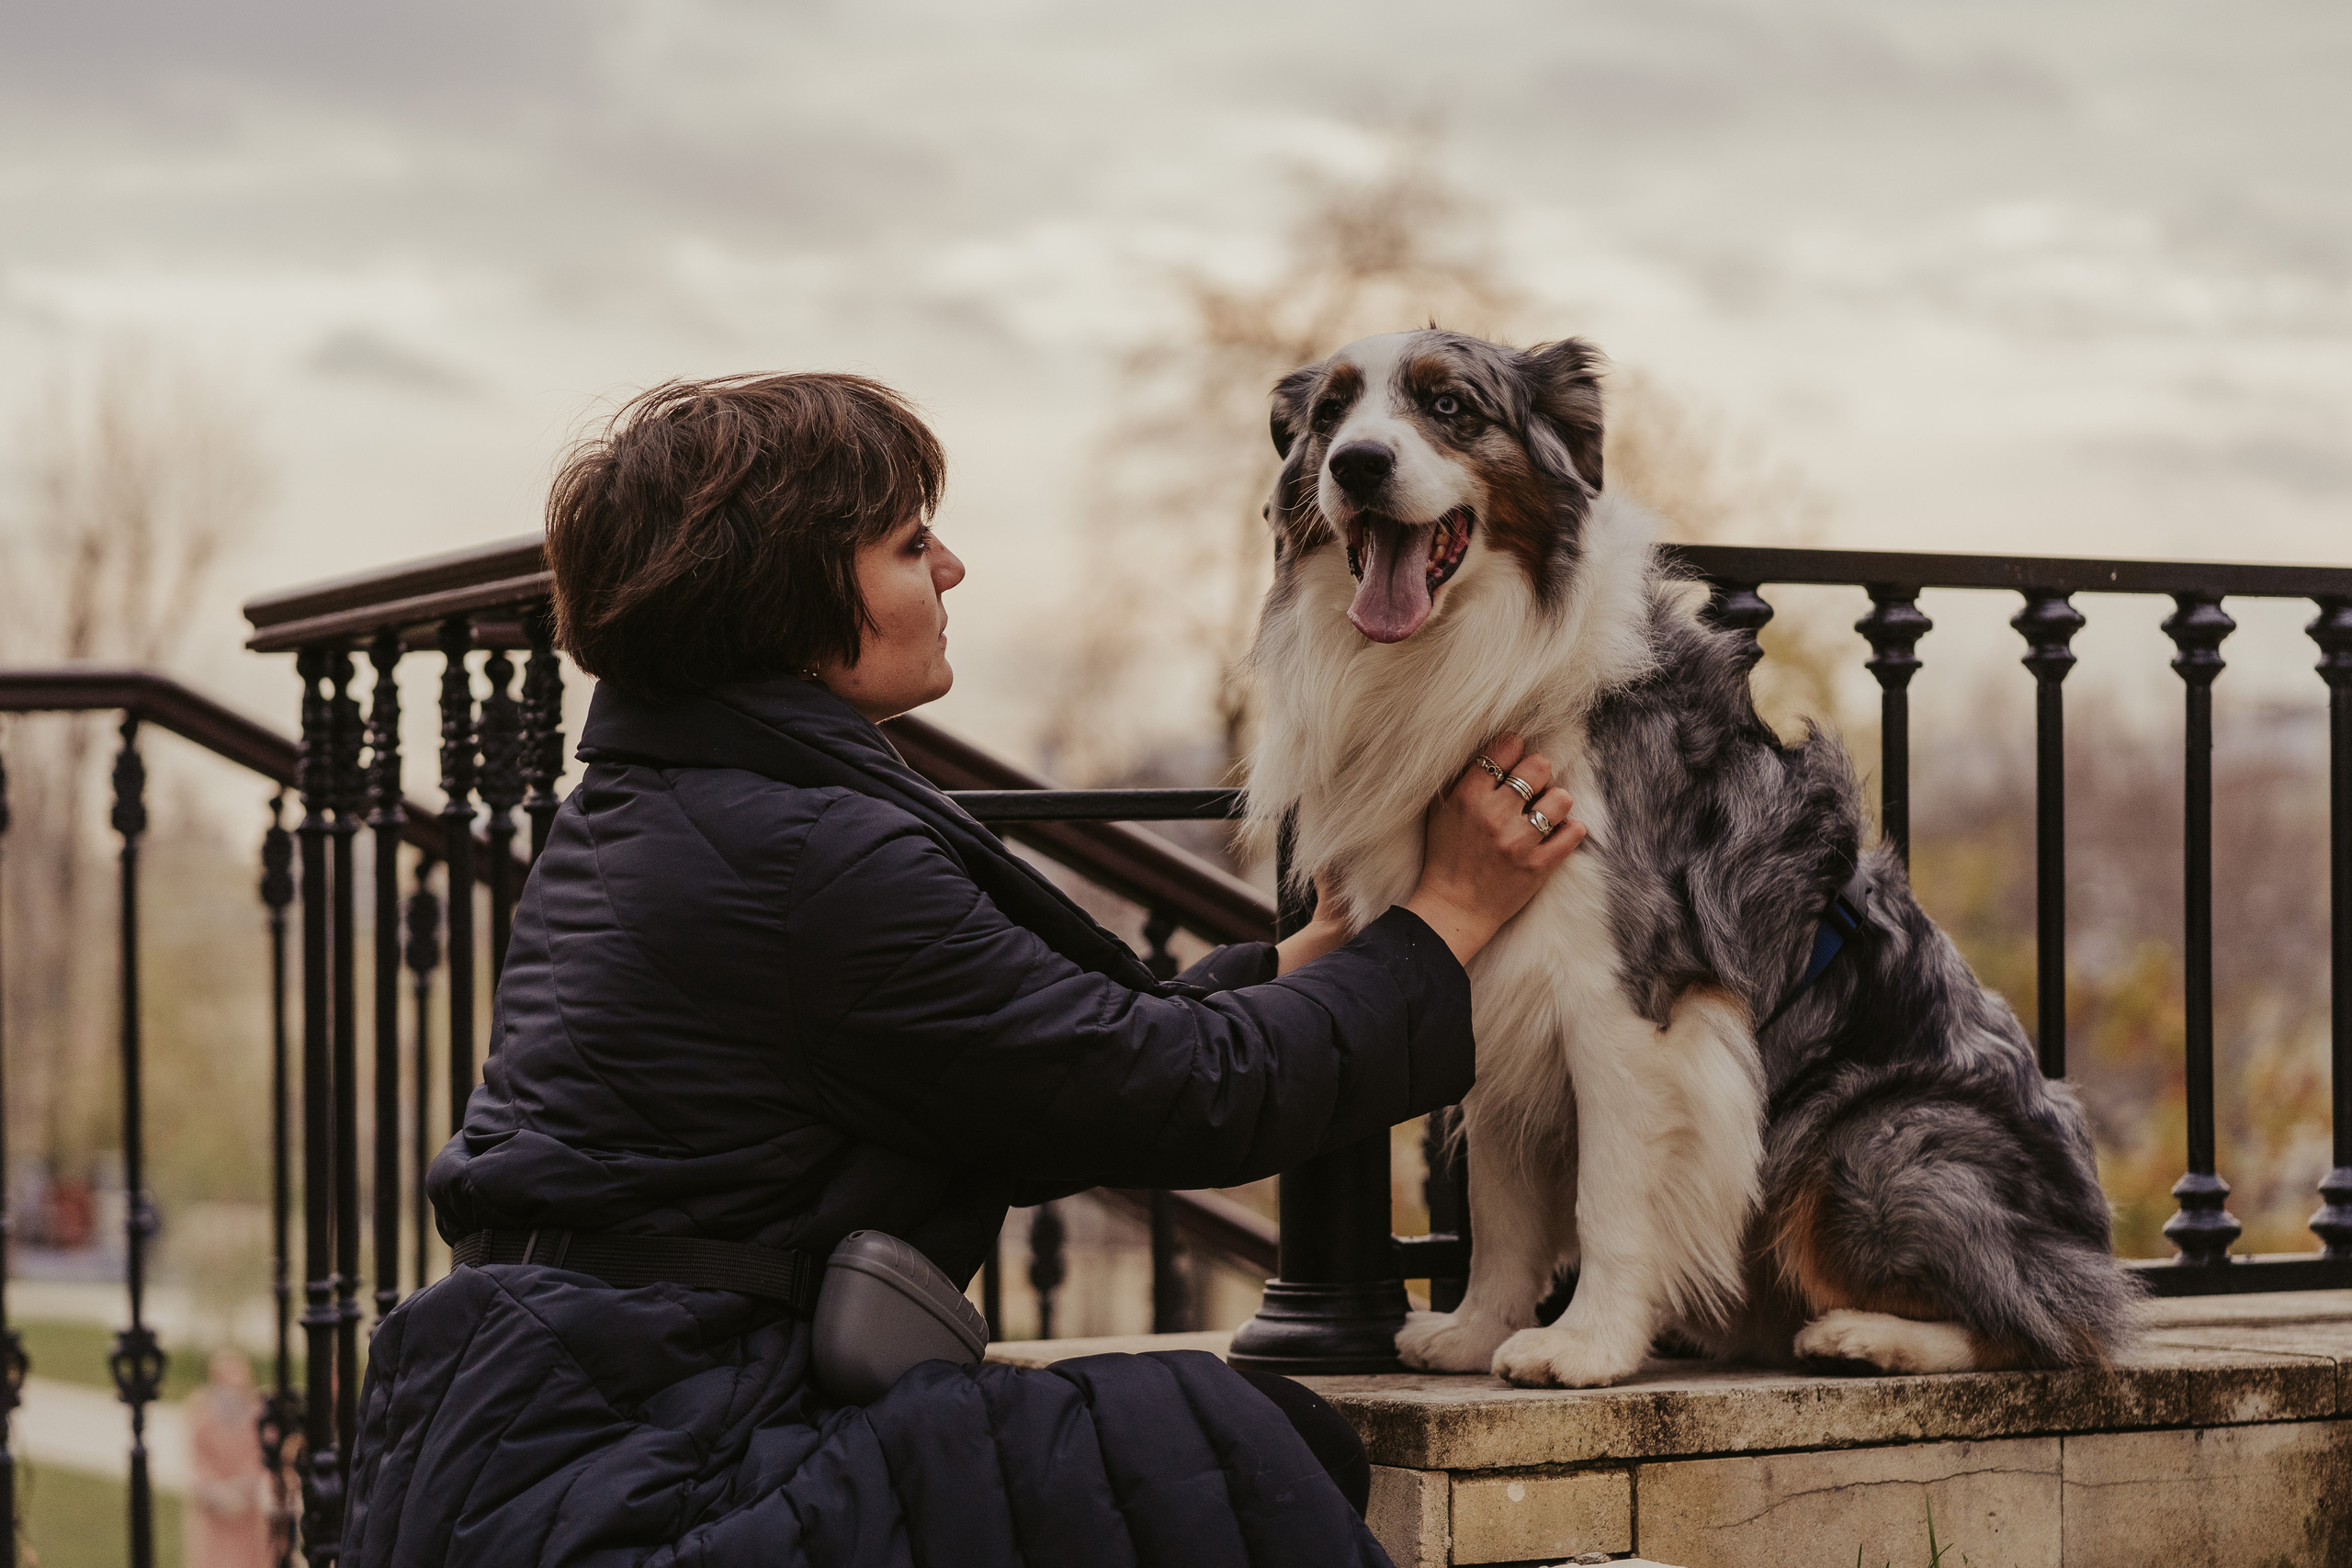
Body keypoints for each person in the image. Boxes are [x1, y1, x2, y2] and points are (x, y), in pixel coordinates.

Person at [345, 372, 1585, 1568]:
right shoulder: (806, 855)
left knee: (1217, 1454)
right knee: (1198, 1451)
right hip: (640, 1478)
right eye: (906, 544)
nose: (949, 569)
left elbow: (1038, 1065)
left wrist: (1289, 969)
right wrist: (1451, 916)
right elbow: (1170, 1096)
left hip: (556, 1443)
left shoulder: (668, 805)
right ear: (786, 596)